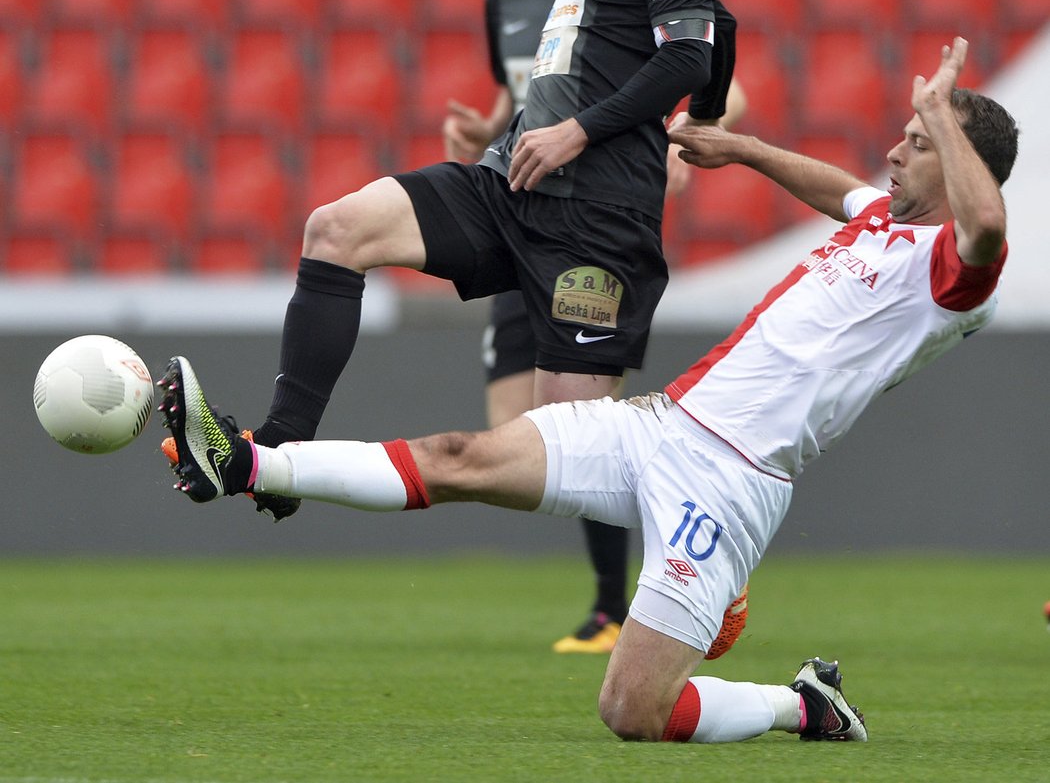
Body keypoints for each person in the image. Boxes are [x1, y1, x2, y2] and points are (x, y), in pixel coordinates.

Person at [161, 37, 1018, 744]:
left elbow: (984, 226)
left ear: (956, 158)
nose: (895, 149)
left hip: (729, 484)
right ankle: (248, 462)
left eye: (915, 139)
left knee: (631, 710)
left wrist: (941, 112)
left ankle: (803, 705)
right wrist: (744, 150)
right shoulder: (882, 220)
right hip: (662, 424)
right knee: (459, 455)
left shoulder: (953, 275)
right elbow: (839, 189)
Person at [215, 0, 737, 541]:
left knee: (572, 459)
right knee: (336, 228)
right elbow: (719, 30)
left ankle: (708, 534)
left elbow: (697, 46)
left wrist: (593, 128)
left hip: (596, 224)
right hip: (510, 187)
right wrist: (704, 117)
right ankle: (281, 452)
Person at [441, 0, 744, 653]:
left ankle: (627, 600)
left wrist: (683, 141)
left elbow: (713, 65)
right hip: (522, 203)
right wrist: (490, 134)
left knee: (573, 431)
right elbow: (532, 96)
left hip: (592, 214)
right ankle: (666, 546)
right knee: (523, 433)